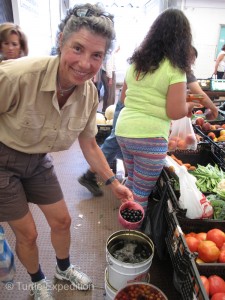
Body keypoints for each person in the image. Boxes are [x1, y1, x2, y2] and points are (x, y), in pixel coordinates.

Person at [0, 3, 133, 300]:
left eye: (96, 55)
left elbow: (88, 143)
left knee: (62, 220)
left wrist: (113, 182)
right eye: (78, 48)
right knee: (29, 233)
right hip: (2, 159)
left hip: (37, 159)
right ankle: (37, 281)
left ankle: (63, 268)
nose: (85, 63)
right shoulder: (16, 76)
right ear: (61, 41)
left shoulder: (88, 94)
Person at [115, 8, 206, 211]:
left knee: (132, 181)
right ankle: (131, 237)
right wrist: (190, 105)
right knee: (141, 193)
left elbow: (124, 98)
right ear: (183, 39)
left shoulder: (137, 64)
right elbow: (174, 112)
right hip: (150, 136)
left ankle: (124, 215)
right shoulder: (175, 69)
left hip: (124, 131)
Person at [78, 98, 124, 196]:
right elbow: (90, 146)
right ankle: (89, 175)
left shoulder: (90, 93)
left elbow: (90, 146)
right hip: (129, 106)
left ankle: (89, 175)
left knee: (116, 140)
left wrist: (115, 184)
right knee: (115, 139)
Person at [188, 47, 218, 119]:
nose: (191, 64)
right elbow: (200, 95)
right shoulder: (184, 72)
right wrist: (214, 110)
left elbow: (193, 96)